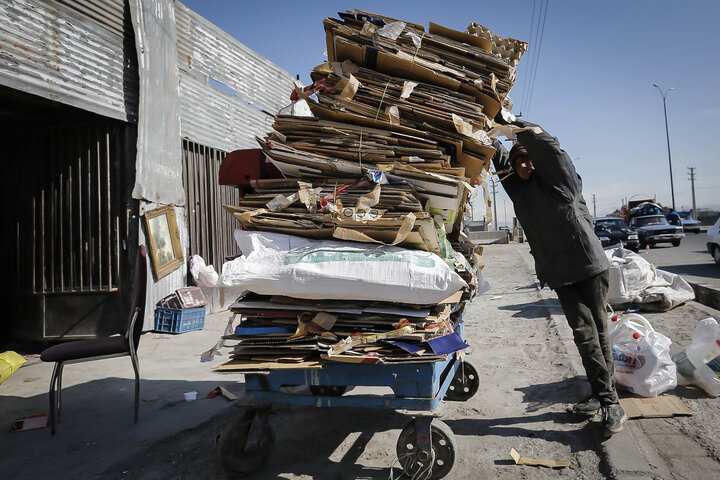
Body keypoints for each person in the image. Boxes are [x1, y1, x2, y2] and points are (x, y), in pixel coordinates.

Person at [492, 119, 627, 436]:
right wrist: (486, 128)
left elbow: (553, 152)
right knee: (585, 335)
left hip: (589, 266)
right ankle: (604, 397)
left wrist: (524, 130)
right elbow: (496, 157)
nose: (523, 165)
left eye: (527, 159)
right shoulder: (517, 190)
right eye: (518, 161)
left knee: (597, 334)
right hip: (560, 273)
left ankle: (609, 401)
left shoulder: (558, 181)